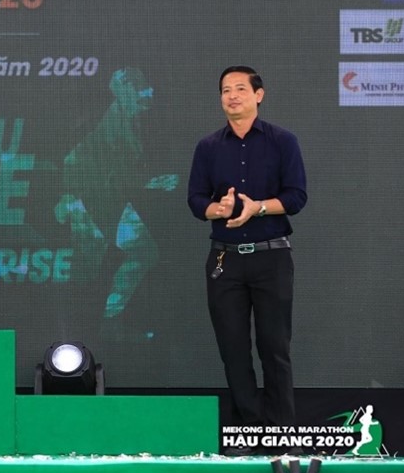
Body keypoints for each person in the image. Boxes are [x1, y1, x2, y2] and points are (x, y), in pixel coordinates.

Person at [187, 66, 307, 441]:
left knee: (274, 348)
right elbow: (196, 200)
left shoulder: (283, 141)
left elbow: (296, 196)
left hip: (271, 258)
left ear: (259, 95)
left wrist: (258, 207)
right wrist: (218, 210)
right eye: (226, 90)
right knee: (233, 349)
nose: (232, 96)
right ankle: (248, 432)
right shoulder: (208, 147)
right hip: (225, 260)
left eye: (240, 89)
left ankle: (281, 435)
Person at [54, 67, 179, 321]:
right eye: (140, 88)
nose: (149, 92)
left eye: (147, 87)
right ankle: (99, 316)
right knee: (96, 265)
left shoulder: (132, 122)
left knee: (141, 253)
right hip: (90, 198)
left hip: (103, 197)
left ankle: (107, 314)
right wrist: (70, 197)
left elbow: (119, 171)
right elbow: (95, 166)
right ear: (125, 92)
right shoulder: (113, 124)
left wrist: (150, 182)